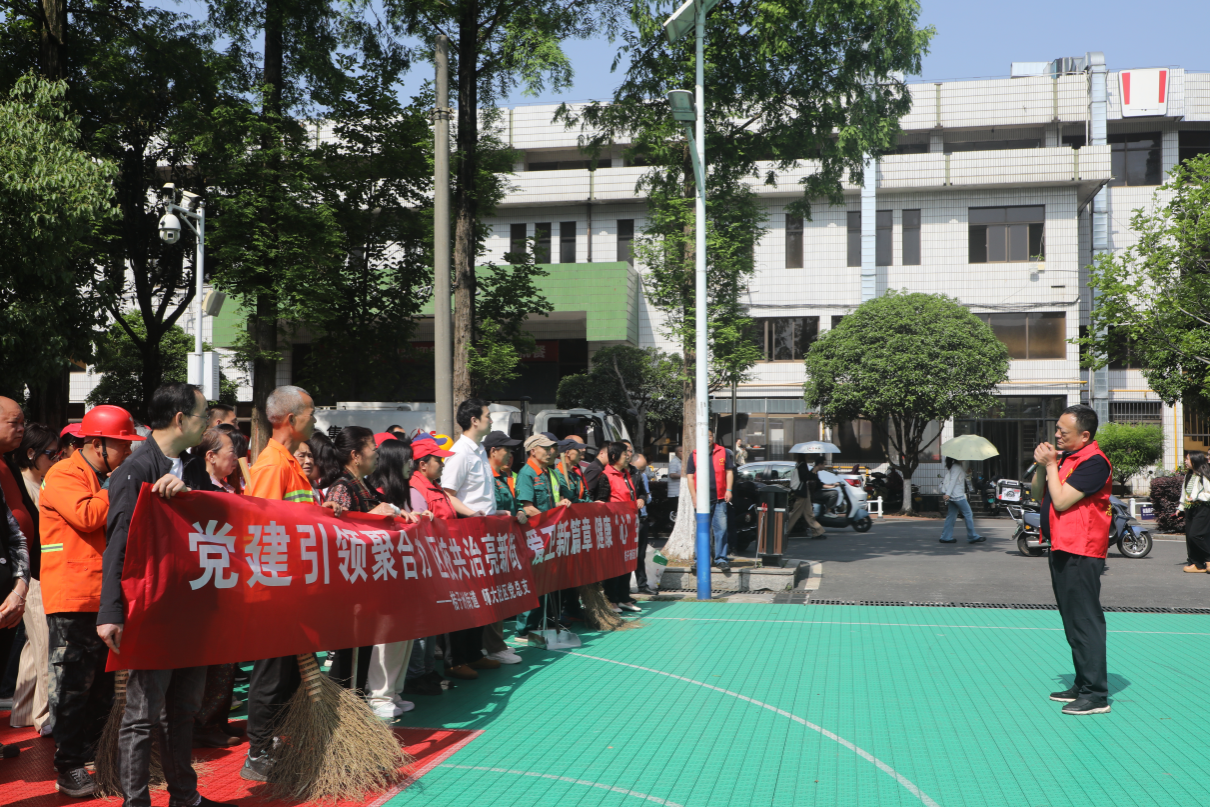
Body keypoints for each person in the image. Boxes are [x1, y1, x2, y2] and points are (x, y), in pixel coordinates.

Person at [96, 384, 234, 807]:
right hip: (151, 611)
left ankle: (184, 796)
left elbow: (220, 515)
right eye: (203, 415)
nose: (208, 423)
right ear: (180, 418)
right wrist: (110, 611)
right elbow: (118, 544)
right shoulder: (135, 470)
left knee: (183, 710)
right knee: (142, 715)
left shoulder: (191, 468)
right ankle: (136, 801)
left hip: (190, 609)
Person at [239, 385, 342, 782]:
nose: (315, 419)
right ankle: (258, 752)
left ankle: (277, 744)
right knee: (272, 673)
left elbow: (291, 520)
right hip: (276, 593)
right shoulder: (272, 465)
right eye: (311, 412)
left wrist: (320, 512)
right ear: (291, 418)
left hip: (294, 590)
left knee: (288, 674)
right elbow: (261, 531)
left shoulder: (289, 464)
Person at [40, 406, 139, 794]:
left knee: (101, 688)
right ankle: (69, 765)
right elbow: (86, 515)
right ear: (98, 444)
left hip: (102, 596)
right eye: (122, 445)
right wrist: (118, 484)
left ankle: (97, 759)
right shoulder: (64, 473)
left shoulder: (100, 476)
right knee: (72, 687)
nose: (128, 452)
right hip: (73, 597)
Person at [1032, 404, 1114, 716]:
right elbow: (1038, 493)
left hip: (1081, 549)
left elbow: (1062, 500)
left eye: (1063, 432)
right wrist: (1043, 466)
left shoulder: (1094, 462)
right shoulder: (1068, 458)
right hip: (1062, 546)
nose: (1056, 435)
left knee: (1085, 620)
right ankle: (1083, 683)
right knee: (1072, 619)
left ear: (1085, 435)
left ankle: (1096, 694)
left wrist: (1052, 464)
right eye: (1056, 429)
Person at [442, 400, 521, 666]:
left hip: (484, 533)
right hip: (468, 534)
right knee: (470, 596)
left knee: (484, 595)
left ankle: (476, 654)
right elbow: (448, 495)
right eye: (487, 416)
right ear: (474, 420)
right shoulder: (460, 453)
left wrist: (494, 513)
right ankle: (460, 660)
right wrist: (472, 514)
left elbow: (479, 496)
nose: (491, 420)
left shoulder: (478, 451)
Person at [181, 429, 246, 749]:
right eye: (231, 452)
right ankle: (203, 722)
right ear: (211, 456)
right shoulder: (200, 491)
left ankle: (217, 719)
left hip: (230, 583)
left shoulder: (229, 488)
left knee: (228, 658)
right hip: (209, 584)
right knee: (215, 658)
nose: (236, 458)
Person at [412, 437, 497, 681]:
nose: (442, 464)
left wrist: (474, 516)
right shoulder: (417, 489)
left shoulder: (433, 485)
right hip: (437, 560)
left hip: (453, 555)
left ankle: (471, 654)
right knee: (453, 610)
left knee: (471, 603)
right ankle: (453, 662)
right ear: (422, 464)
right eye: (438, 460)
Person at [369, 440, 443, 700]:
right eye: (406, 460)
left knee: (406, 633)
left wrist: (419, 519)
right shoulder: (378, 492)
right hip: (386, 572)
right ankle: (384, 692)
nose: (411, 465)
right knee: (388, 637)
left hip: (406, 571)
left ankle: (396, 690)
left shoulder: (403, 491)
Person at [8, 422, 57, 732]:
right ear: (31, 453)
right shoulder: (25, 487)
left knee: (33, 642)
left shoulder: (37, 483)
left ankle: (24, 712)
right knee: (45, 643)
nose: (56, 459)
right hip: (35, 575)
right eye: (51, 454)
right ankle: (45, 716)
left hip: (37, 572)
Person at [0, 396, 33, 762]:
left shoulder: (5, 465)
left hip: (9, 585)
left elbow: (15, 533)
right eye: (15, 422)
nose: (22, 429)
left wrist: (20, 583)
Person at [518, 433, 571, 633]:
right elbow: (528, 507)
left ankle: (544, 620)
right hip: (534, 535)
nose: (551, 452)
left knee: (547, 580)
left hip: (547, 533)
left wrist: (559, 505)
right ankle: (525, 629)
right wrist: (549, 520)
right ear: (533, 451)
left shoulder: (547, 472)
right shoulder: (527, 473)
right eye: (546, 448)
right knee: (533, 581)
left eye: (551, 448)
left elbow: (546, 503)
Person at [686, 429, 735, 571]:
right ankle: (700, 560)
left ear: (713, 437)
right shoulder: (694, 454)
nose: (707, 438)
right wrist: (694, 496)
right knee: (702, 531)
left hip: (719, 499)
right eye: (704, 436)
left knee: (721, 530)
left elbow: (729, 472)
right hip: (701, 500)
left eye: (709, 436)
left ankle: (721, 559)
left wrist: (729, 490)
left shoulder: (723, 452)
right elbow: (690, 477)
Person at [939, 457, 985, 544]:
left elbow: (958, 479)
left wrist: (966, 473)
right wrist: (948, 494)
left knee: (951, 516)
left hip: (953, 495)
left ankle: (945, 537)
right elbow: (953, 481)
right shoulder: (957, 467)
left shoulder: (955, 466)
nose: (964, 458)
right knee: (968, 513)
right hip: (957, 495)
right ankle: (972, 536)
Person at [1178, 451, 1210, 573]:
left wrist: (1197, 496)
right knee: (1190, 538)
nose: (1185, 461)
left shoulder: (1204, 475)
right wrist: (1180, 507)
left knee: (1195, 535)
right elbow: (1184, 493)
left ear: (1195, 460)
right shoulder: (1189, 476)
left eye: (1187, 459)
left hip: (1203, 508)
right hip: (1190, 508)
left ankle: (1208, 559)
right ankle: (1197, 564)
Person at [630, 453, 656, 597]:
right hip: (630, 520)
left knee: (640, 555)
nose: (642, 472)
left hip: (642, 519)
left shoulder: (642, 476)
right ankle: (626, 587)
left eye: (644, 469)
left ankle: (642, 584)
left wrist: (643, 499)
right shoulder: (627, 476)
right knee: (629, 555)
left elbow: (647, 496)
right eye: (640, 469)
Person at [785, 453, 826, 539]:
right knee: (795, 513)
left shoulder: (800, 464)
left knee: (808, 513)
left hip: (803, 491)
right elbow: (805, 477)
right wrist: (813, 473)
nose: (809, 455)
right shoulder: (802, 465)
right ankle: (783, 531)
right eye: (807, 454)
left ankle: (817, 532)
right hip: (802, 492)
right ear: (804, 455)